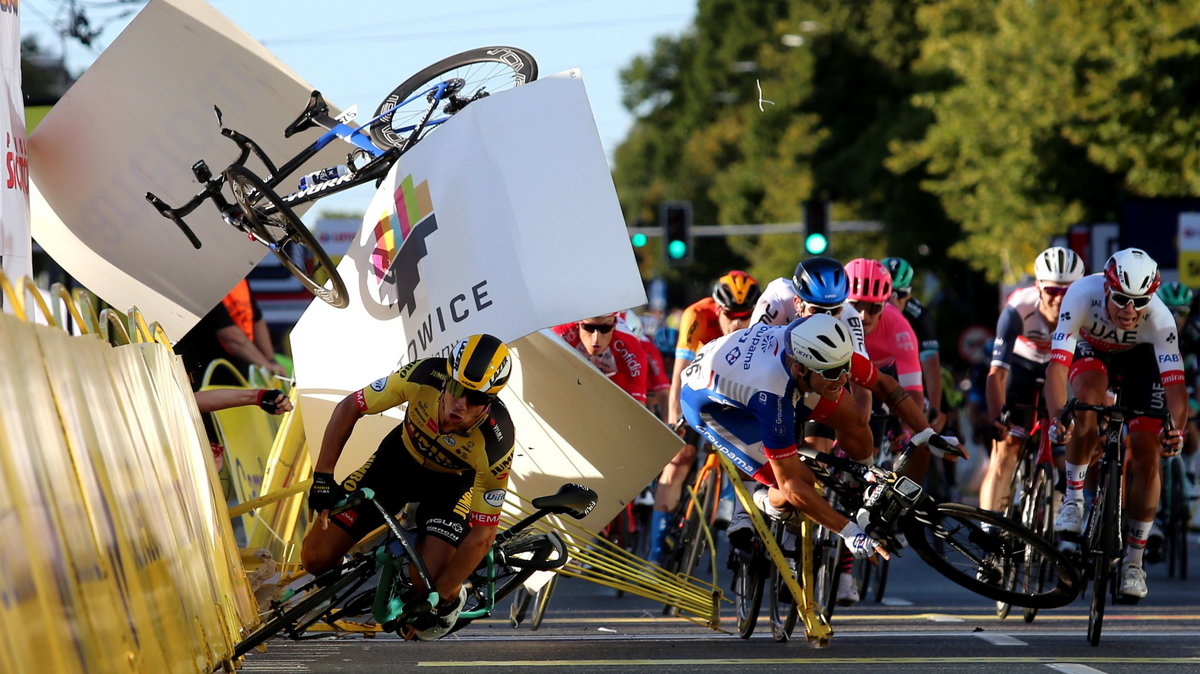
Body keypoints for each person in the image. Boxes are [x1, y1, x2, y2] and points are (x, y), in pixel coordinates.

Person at [678, 315, 959, 564]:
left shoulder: (826, 352)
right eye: (833, 373)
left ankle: (862, 488)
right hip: (714, 406)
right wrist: (849, 532)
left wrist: (928, 434)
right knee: (798, 485)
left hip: (765, 371)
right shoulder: (772, 397)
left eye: (845, 367)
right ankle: (764, 500)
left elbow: (885, 386)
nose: (843, 377)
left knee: (856, 419)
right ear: (802, 369)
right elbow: (792, 485)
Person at [301, 334, 515, 639]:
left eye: (476, 399)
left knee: (427, 584)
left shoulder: (497, 441)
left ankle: (438, 574)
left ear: (490, 401)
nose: (460, 404)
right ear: (447, 379)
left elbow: (484, 533)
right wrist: (322, 476)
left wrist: (441, 596)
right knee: (315, 558)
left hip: (451, 486)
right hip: (396, 464)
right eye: (456, 389)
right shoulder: (423, 375)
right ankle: (358, 572)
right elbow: (350, 406)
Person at [1045, 248, 1186, 600]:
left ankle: (1134, 563)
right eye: (1121, 298)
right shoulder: (1080, 295)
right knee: (1087, 404)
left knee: (1147, 451)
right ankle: (1074, 498)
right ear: (1106, 289)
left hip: (1142, 364)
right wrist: (1056, 416)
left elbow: (1175, 387)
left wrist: (1176, 430)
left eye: (1139, 302)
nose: (1129, 310)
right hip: (1093, 354)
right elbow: (1057, 368)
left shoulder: (1160, 319)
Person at [650, 271, 760, 563]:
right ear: (717, 307)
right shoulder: (696, 314)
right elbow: (678, 377)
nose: (737, 323)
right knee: (679, 461)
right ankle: (655, 552)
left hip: (734, 393)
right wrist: (674, 422)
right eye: (730, 314)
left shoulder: (761, 323)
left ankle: (729, 500)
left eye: (745, 315)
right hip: (696, 388)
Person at [979, 246, 1084, 518]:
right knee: (1006, 448)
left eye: (1069, 291)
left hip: (1062, 366)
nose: (1060, 300)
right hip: (1022, 365)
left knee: (1082, 433)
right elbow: (997, 374)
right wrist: (995, 418)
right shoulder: (1018, 308)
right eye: (1052, 291)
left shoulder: (1088, 311)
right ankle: (990, 527)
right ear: (1038, 287)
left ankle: (1065, 502)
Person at [174, 279, 287, 387]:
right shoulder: (203, 282)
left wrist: (271, 361)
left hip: (237, 374)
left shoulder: (240, 277)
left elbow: (256, 319)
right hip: (208, 375)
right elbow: (230, 336)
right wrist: (266, 365)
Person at [551, 313, 649, 405]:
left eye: (605, 328)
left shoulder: (630, 348)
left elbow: (638, 405)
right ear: (577, 323)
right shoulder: (562, 332)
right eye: (589, 327)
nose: (596, 339)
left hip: (613, 380)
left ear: (614, 326)